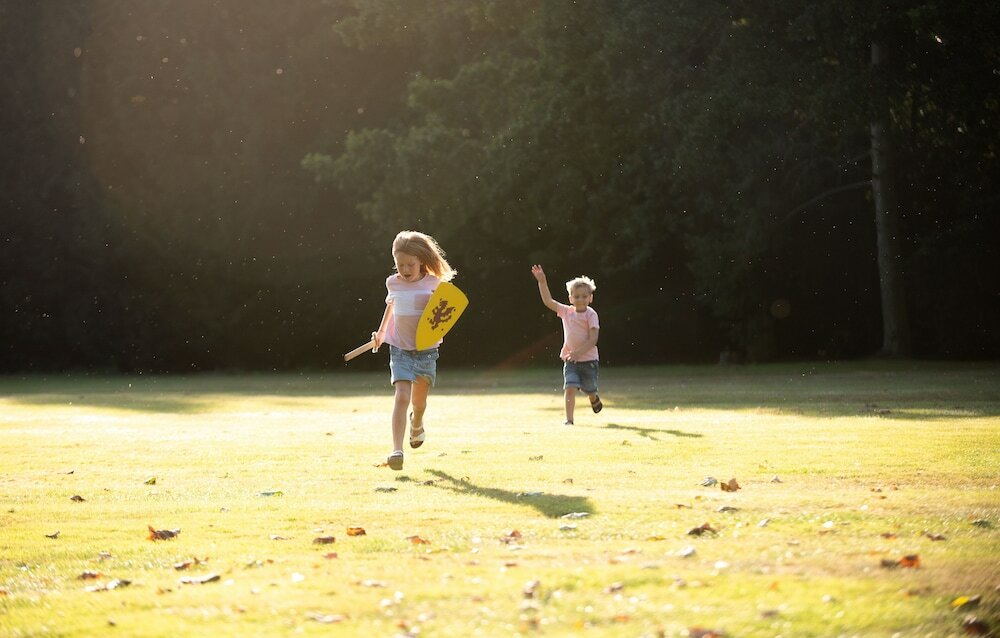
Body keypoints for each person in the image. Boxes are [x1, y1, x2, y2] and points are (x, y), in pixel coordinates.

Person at [372, 231, 457, 470]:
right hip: (400, 349)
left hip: (426, 351)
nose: (405, 269)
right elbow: (390, 308)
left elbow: (443, 314)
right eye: (400, 265)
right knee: (402, 397)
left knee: (418, 404)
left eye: (410, 264)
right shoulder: (393, 283)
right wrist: (380, 334)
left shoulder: (434, 283)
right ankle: (396, 450)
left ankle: (417, 424)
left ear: (421, 261)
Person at [530, 265, 603, 425]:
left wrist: (578, 352)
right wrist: (542, 281)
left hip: (589, 361)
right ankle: (569, 420)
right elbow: (548, 301)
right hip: (570, 361)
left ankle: (593, 397)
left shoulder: (591, 315)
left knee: (589, 388)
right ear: (571, 298)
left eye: (584, 296)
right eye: (576, 296)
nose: (580, 299)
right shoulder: (566, 312)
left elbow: (593, 339)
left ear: (590, 298)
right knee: (569, 388)